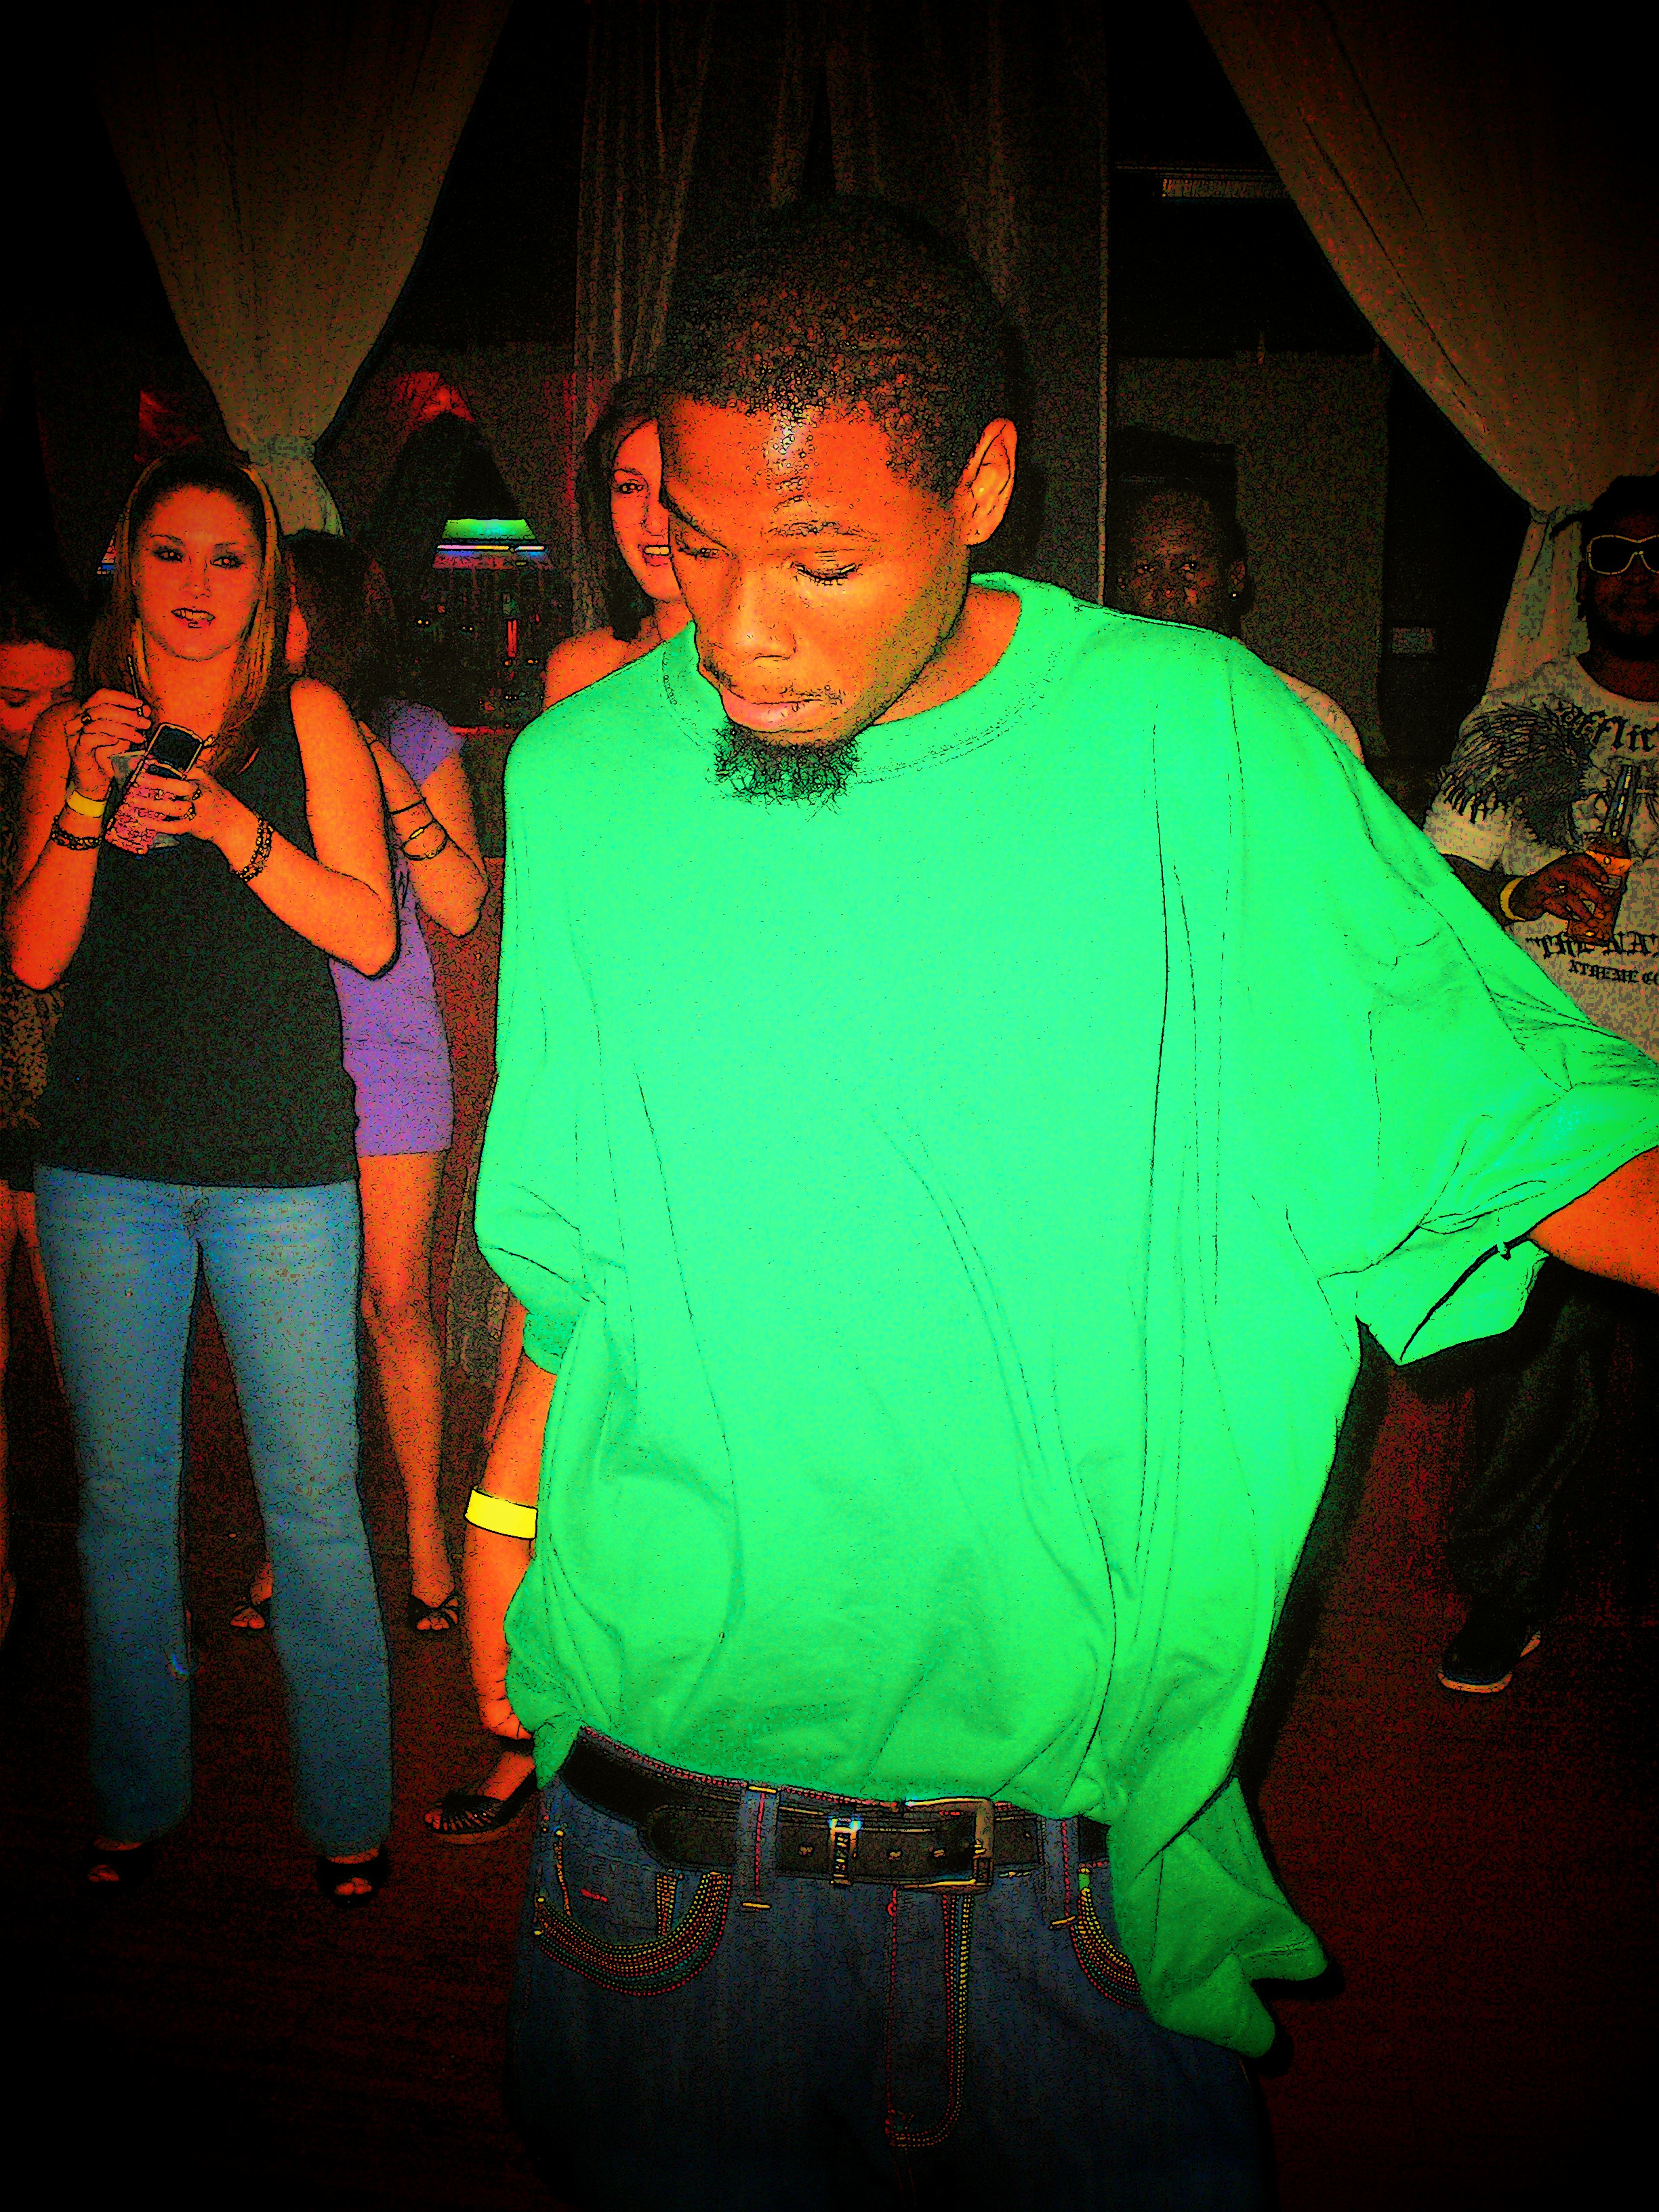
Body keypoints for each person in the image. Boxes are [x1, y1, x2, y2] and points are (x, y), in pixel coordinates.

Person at [467, 198, 1659, 2205]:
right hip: (657, 1855)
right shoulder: (585, 777)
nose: (738, 631)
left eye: (819, 559)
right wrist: (502, 1532)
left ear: (981, 488)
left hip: (1060, 1894)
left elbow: (1546, 1144)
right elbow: (579, 1245)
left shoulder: (1199, 752)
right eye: (693, 542)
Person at [6, 455, 396, 1902]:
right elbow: (34, 956)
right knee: (123, 1504)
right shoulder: (77, 727)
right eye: (168, 552)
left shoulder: (308, 717)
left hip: (281, 1164)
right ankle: (134, 1795)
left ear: (265, 579)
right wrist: (85, 799)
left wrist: (233, 826)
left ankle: (348, 1812)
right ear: (128, 565)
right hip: (105, 1162)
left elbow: (368, 933)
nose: (195, 584)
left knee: (313, 1504)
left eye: (228, 558)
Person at [426, 380, 690, 1843]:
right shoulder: (588, 669)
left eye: (674, 479)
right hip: (593, 1076)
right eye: (627, 488)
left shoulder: (790, 670)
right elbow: (556, 914)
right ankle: (526, 1709)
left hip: (717, 1091)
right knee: (538, 1391)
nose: (653, 514)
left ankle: (631, 1707)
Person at [226, 532, 488, 1641]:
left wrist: (391, 784)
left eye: (278, 599)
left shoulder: (412, 733)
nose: (253, 615)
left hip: (385, 1049)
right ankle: (295, 1539)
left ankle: (426, 1540)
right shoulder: (234, 733)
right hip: (267, 1053)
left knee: (394, 1300)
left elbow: (462, 904)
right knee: (290, 1314)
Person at [1420, 473, 1659, 1692]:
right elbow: (1430, 892)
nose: (1634, 576)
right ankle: (1502, 1588)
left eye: (1655, 555)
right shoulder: (1522, 720)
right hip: (1558, 1089)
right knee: (1538, 1359)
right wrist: (1523, 888)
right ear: (1582, 574)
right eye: (1612, 554)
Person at [0, 577, 81, 1650]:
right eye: (12, 701)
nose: (32, 724)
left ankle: (139, 1605)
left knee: (104, 1392)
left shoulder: (110, 784)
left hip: (80, 1121)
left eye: (51, 701)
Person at [1117, 481, 1368, 762]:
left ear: (1234, 578)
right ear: (1124, 583)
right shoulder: (1100, 701)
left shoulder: (1309, 720)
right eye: (1146, 569)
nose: (1166, 590)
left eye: (1189, 567)